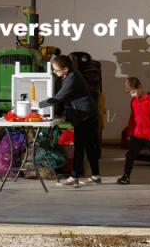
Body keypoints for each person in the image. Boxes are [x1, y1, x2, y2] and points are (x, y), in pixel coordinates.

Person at [35, 54, 101, 187]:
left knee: (79, 147)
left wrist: (37, 105)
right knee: (89, 146)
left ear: (65, 69)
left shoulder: (72, 78)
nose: (54, 72)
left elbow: (59, 97)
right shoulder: (68, 76)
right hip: (86, 114)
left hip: (85, 116)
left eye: (56, 70)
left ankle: (74, 177)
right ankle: (95, 176)